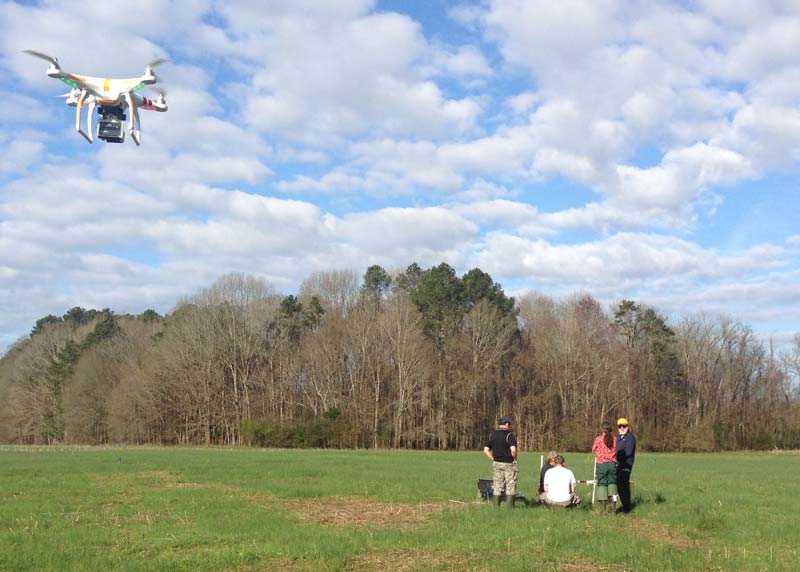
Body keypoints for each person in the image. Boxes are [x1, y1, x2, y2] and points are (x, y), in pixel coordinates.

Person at [483, 416, 518, 508]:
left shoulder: (492, 434)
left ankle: (496, 507)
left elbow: (486, 450)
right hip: (508, 463)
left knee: (497, 485)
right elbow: (513, 450)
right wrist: (514, 459)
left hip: (496, 463)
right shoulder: (509, 435)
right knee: (510, 485)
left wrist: (493, 458)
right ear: (506, 424)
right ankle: (510, 509)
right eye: (509, 424)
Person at [591, 421, 618, 514]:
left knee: (602, 485)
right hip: (612, 464)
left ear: (602, 429)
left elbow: (593, 450)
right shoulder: (615, 439)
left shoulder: (598, 439)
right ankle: (613, 509)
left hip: (602, 464)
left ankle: (603, 510)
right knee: (613, 485)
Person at [615, 417, 636, 513]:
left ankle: (627, 508)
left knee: (623, 486)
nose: (622, 428)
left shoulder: (630, 437)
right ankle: (625, 505)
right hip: (618, 465)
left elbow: (628, 452)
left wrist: (616, 455)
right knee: (619, 486)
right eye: (620, 426)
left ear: (627, 426)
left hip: (626, 465)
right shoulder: (618, 437)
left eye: (624, 426)